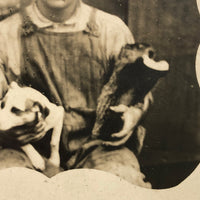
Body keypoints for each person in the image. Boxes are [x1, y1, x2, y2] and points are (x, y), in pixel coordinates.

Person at [0, 0, 152, 188]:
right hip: (28, 149)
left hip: (98, 147)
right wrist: (4, 132)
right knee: (8, 178)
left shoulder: (111, 30)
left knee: (121, 179)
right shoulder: (5, 33)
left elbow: (137, 93)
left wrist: (132, 114)